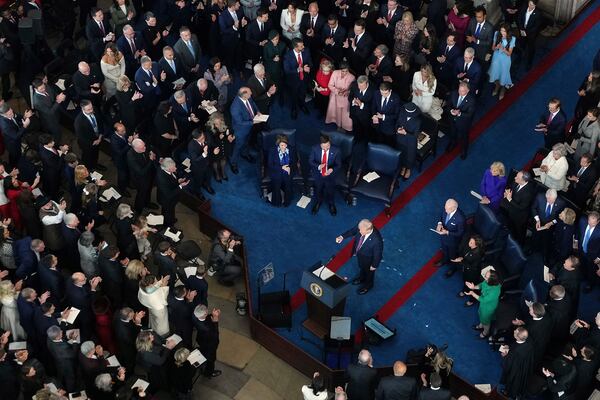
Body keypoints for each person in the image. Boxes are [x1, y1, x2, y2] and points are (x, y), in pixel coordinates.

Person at [336, 219, 383, 295]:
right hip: (360, 254)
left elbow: (378, 254)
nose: (359, 231)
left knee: (369, 273)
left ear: (368, 231)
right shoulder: (362, 226)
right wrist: (342, 237)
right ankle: (362, 278)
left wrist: (374, 265)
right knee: (362, 267)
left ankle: (368, 285)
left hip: (369, 259)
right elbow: (352, 231)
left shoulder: (377, 240)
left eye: (361, 230)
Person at [501, 170, 537, 243]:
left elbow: (521, 207)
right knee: (510, 226)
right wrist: (507, 191)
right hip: (512, 209)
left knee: (519, 233)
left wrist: (510, 199)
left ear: (523, 180)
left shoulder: (528, 193)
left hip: (520, 216)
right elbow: (510, 186)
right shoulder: (516, 181)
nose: (514, 178)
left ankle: (519, 244)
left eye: (517, 177)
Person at [310, 134, 341, 216]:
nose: (326, 148)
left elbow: (338, 164)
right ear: (320, 145)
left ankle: (331, 204)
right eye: (324, 147)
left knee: (330, 190)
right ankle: (318, 202)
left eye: (328, 146)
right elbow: (311, 161)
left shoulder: (336, 150)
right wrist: (318, 166)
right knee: (318, 189)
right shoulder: (314, 148)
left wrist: (332, 169)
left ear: (329, 143)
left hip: (330, 175)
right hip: (318, 174)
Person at [500, 327, 535, 399]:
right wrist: (509, 347)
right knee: (520, 382)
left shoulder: (515, 351)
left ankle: (508, 393)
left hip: (515, 369)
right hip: (524, 368)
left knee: (511, 381)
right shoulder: (529, 343)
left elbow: (509, 363)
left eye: (515, 332)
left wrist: (505, 355)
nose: (514, 331)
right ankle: (517, 395)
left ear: (517, 337)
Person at [230, 87, 260, 168]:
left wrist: (257, 111)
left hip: (249, 127)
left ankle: (245, 154)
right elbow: (240, 122)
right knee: (238, 147)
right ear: (244, 95)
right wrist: (253, 122)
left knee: (246, 142)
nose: (251, 94)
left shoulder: (247, 97)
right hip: (240, 131)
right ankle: (233, 163)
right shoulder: (235, 108)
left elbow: (252, 103)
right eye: (250, 93)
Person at [465, 269, 500, 337]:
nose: (484, 277)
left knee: (486, 321)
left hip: (488, 307)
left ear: (491, 280)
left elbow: (483, 299)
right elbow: (481, 285)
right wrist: (473, 287)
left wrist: (472, 293)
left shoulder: (494, 291)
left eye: (486, 277)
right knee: (481, 315)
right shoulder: (488, 281)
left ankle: (485, 332)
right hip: (483, 304)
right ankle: (481, 325)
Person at [445, 82, 475, 159]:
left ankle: (464, 150)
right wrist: (451, 111)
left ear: (467, 91)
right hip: (452, 120)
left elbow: (469, 115)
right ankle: (453, 143)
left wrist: (459, 114)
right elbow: (448, 105)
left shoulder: (471, 100)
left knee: (464, 137)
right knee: (452, 132)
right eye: (459, 90)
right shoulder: (454, 93)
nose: (460, 92)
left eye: (462, 91)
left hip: (463, 123)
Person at [283, 38, 312, 119]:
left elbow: (310, 62)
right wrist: (297, 70)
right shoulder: (287, 56)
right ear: (295, 48)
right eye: (301, 46)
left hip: (304, 79)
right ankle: (294, 109)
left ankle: (302, 105)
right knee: (294, 96)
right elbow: (287, 70)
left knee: (302, 94)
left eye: (303, 45)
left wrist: (308, 67)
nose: (303, 46)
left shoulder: (306, 51)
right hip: (294, 80)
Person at [156, 158, 189, 227]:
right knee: (168, 212)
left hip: (170, 198)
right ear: (167, 169)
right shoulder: (162, 178)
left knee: (170, 210)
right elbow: (168, 194)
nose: (176, 168)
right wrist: (180, 186)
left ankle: (170, 219)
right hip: (166, 199)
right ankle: (168, 225)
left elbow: (172, 179)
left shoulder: (166, 169)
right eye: (173, 167)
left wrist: (178, 181)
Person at [192, 305, 222, 377]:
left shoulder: (195, 317)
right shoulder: (208, 328)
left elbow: (207, 317)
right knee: (211, 360)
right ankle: (208, 373)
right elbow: (215, 335)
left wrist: (212, 315)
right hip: (209, 345)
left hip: (201, 340)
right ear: (205, 314)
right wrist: (215, 318)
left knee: (203, 352)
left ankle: (202, 363)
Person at [488, 23, 516, 100]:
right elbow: (493, 48)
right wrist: (496, 47)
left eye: (504, 31)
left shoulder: (512, 38)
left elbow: (509, 53)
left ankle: (502, 90)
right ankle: (497, 87)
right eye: (501, 30)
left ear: (508, 32)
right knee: (495, 73)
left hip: (505, 60)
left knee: (503, 75)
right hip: (496, 58)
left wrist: (503, 49)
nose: (502, 32)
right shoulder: (497, 34)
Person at [435, 199, 465, 269]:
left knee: (453, 256)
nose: (445, 210)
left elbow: (460, 233)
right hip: (443, 237)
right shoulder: (447, 209)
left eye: (447, 209)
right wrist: (439, 224)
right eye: (445, 208)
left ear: (453, 208)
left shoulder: (460, 218)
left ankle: (453, 268)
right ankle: (444, 260)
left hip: (452, 241)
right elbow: (442, 217)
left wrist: (447, 232)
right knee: (444, 250)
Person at [395, 102, 422, 180]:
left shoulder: (417, 121)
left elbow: (415, 136)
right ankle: (403, 166)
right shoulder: (402, 114)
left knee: (410, 156)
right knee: (401, 153)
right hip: (400, 139)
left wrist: (405, 133)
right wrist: (397, 129)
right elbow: (397, 123)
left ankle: (408, 169)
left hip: (410, 142)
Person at [325, 61, 355, 131]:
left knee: (345, 114)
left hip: (345, 98)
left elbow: (352, 90)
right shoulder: (335, 73)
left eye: (346, 71)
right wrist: (337, 91)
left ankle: (345, 127)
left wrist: (346, 92)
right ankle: (338, 125)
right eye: (343, 71)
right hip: (335, 96)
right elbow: (330, 85)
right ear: (340, 69)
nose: (344, 73)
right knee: (336, 111)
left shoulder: (352, 77)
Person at [268, 135, 296, 207]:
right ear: (278, 144)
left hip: (288, 171)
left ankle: (287, 202)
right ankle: (277, 202)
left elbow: (294, 162)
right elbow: (270, 164)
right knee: (276, 187)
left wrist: (290, 168)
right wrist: (282, 168)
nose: (284, 147)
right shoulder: (272, 150)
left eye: (285, 145)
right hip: (276, 171)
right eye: (282, 145)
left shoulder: (291, 149)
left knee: (288, 186)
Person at [371, 81, 401, 146]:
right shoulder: (376, 93)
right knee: (378, 141)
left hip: (389, 127)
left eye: (386, 93)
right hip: (378, 124)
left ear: (390, 91)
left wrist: (383, 117)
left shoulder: (396, 98)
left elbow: (396, 115)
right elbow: (373, 107)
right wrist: (374, 115)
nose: (383, 95)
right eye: (382, 93)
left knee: (389, 144)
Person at [349, 75, 376, 143]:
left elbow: (373, 106)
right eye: (359, 86)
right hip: (355, 113)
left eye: (362, 86)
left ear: (367, 84)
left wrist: (362, 104)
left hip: (365, 116)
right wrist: (353, 101)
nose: (360, 88)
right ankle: (357, 139)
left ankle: (366, 143)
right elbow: (350, 97)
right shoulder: (354, 85)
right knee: (356, 128)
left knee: (366, 130)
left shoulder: (374, 91)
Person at [578, 211, 600, 292]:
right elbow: (578, 231)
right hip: (581, 251)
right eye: (589, 221)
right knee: (582, 265)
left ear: (598, 222)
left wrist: (599, 257)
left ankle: (590, 284)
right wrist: (576, 240)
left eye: (593, 223)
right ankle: (583, 277)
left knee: (591, 270)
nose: (590, 224)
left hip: (593, 255)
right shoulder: (582, 221)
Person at [517, 0, 542, 70]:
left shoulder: (538, 14)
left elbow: (536, 27)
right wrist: (521, 29)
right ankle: (520, 56)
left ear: (535, 5)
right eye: (529, 4)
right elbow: (519, 18)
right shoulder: (524, 7)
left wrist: (526, 33)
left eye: (532, 5)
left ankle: (529, 63)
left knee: (531, 49)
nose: (530, 6)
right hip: (522, 32)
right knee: (522, 45)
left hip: (531, 35)